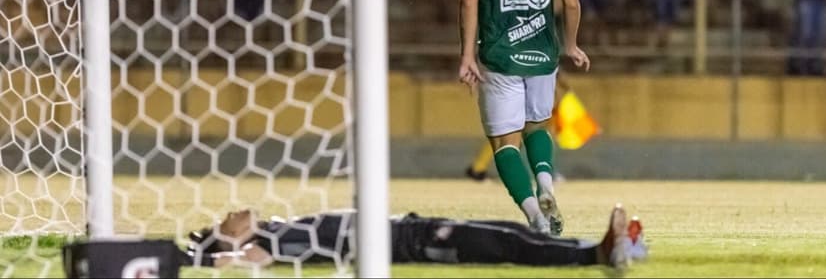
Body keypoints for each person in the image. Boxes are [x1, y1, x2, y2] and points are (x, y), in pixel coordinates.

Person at [458, 0, 590, 236]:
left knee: (504, 142)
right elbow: (573, 3)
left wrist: (467, 55)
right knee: (538, 126)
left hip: (500, 56)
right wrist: (571, 44)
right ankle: (546, 183)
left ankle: (535, 215)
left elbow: (468, 3)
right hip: (543, 56)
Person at [186, 205, 647, 271]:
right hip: (416, 242)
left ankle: (607, 246)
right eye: (222, 224)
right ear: (228, 241)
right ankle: (599, 254)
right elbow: (250, 259)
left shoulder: (277, 226)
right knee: (506, 246)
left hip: (413, 225)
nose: (230, 214)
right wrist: (215, 258)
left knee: (512, 232)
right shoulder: (271, 245)